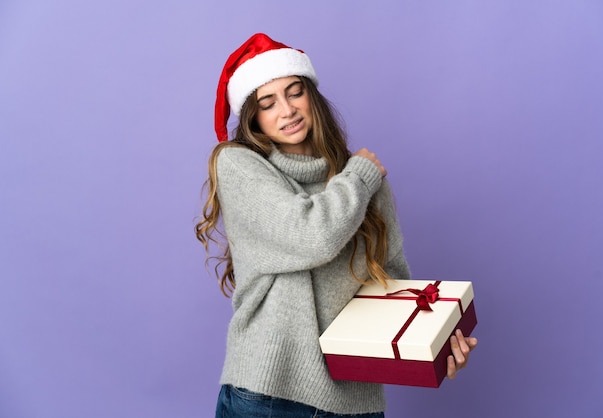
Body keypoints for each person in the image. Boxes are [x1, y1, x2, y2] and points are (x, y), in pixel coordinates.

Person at [195, 33, 478, 418]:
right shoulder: (240, 166)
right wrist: (359, 178)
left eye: (295, 92)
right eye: (268, 102)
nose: (287, 110)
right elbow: (311, 235)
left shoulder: (360, 182)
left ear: (312, 96)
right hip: (269, 396)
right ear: (253, 117)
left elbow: (392, 287)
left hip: (355, 404)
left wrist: (436, 345)